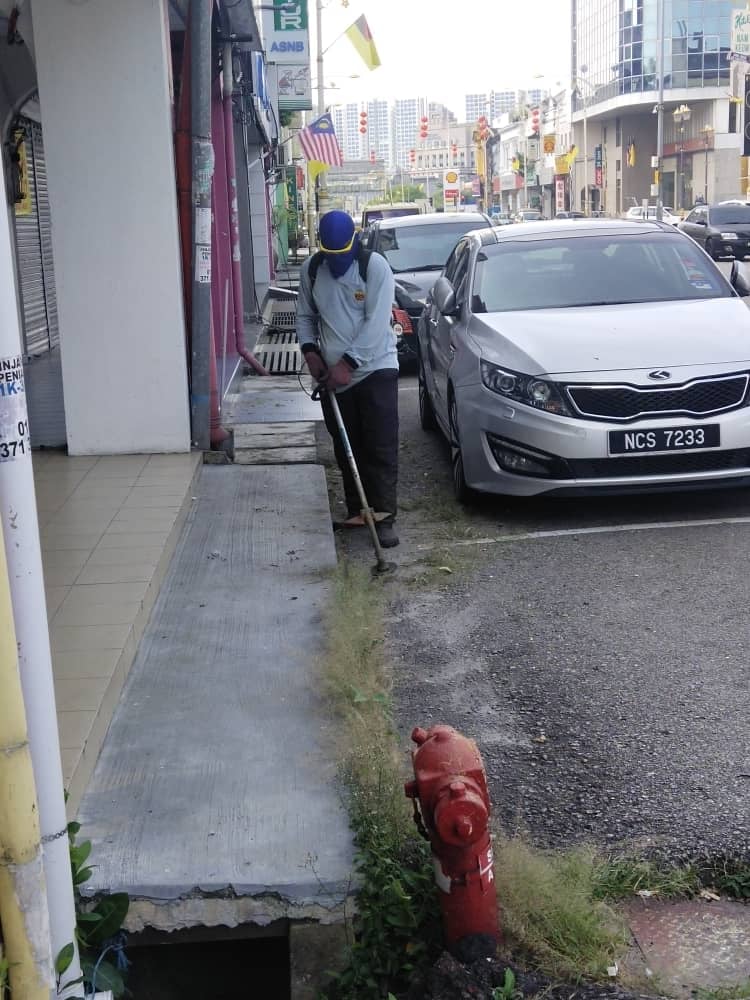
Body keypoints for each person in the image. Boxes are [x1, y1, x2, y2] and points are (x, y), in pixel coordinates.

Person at [297, 210, 400, 548]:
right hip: (334, 377)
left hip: (376, 368)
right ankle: (358, 510)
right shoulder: (313, 269)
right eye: (331, 254)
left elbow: (375, 324)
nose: (336, 260)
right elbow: (306, 315)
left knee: (379, 445)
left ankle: (384, 517)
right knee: (346, 447)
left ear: (353, 242)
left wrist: (348, 363)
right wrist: (311, 352)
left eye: (342, 254)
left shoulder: (374, 268)